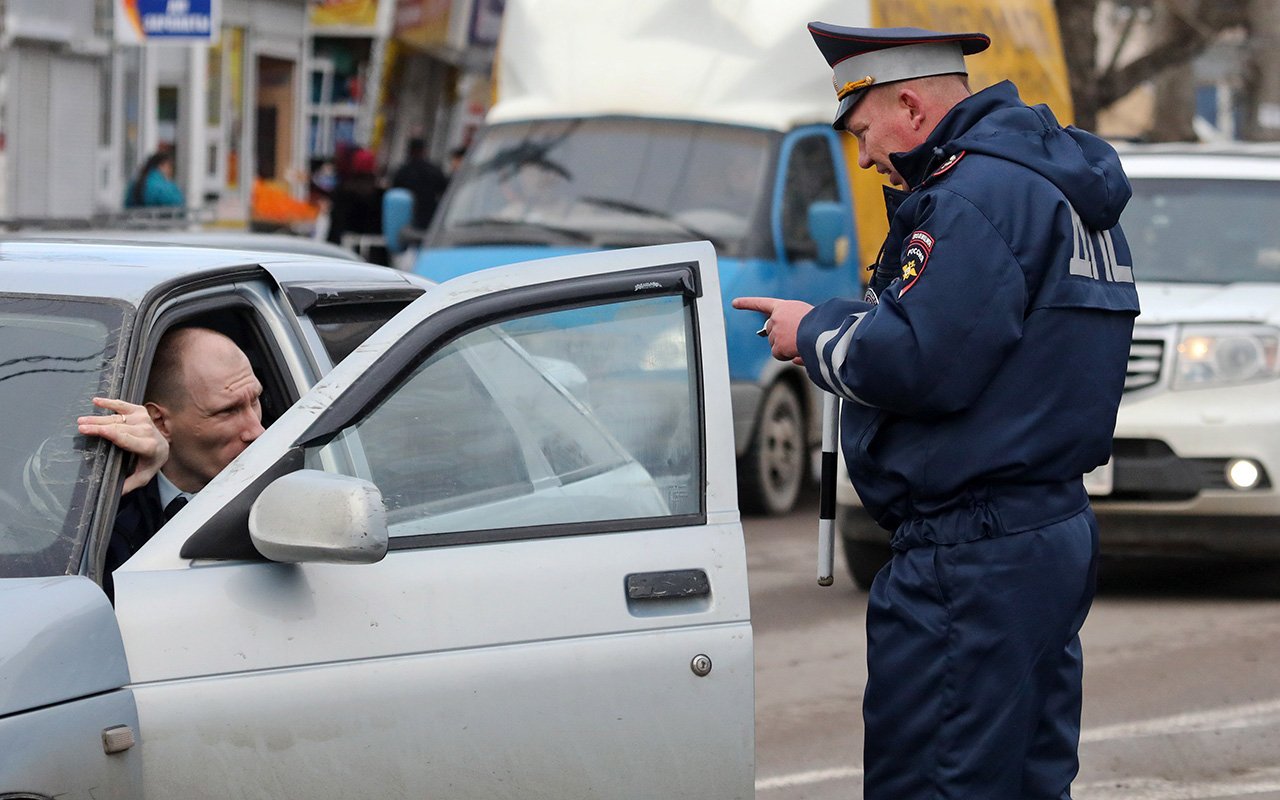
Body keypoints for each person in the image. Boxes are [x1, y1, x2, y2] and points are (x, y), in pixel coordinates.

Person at [733, 24, 1140, 799]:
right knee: (1024, 777)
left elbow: (922, 362)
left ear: (911, 106)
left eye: (861, 130)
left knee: (934, 779)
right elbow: (993, 336)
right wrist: (858, 317)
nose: (862, 157)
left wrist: (812, 331)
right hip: (1043, 530)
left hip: (969, 549)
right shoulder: (1054, 183)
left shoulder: (972, 196)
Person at [78, 327, 265, 596]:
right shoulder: (115, 492)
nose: (257, 431)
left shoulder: (276, 482)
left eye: (255, 400)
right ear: (159, 422)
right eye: (228, 411)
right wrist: (117, 486)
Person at [391, 137, 449, 230]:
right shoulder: (434, 170)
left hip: (406, 221)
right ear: (424, 151)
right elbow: (445, 193)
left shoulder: (402, 172)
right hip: (430, 220)